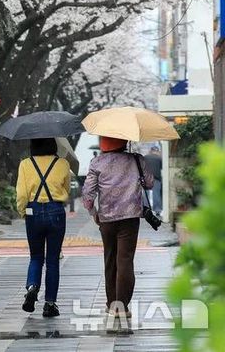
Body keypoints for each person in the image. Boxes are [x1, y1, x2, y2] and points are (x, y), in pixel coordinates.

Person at [82, 136, 155, 318]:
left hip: (106, 219)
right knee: (125, 260)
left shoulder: (97, 162)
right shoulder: (136, 160)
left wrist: (94, 213)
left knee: (110, 259)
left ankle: (111, 304)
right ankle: (121, 307)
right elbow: (150, 183)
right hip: (130, 218)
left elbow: (88, 195)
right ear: (124, 141)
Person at [16, 138, 70, 318]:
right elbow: (67, 189)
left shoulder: (25, 164)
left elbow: (22, 194)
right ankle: (50, 304)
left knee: (36, 256)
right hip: (56, 211)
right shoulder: (63, 163)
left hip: (33, 211)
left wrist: (23, 211)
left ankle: (32, 287)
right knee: (53, 259)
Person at [144, 145, 163, 215]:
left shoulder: (145, 157)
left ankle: (146, 209)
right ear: (157, 151)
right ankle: (157, 210)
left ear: (150, 150)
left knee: (146, 194)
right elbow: (162, 167)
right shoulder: (159, 158)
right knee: (156, 194)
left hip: (146, 178)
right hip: (156, 178)